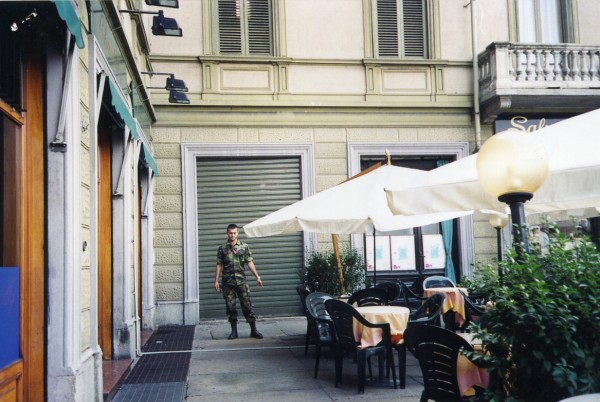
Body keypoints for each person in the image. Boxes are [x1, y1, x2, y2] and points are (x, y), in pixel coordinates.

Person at [214, 223, 264, 339]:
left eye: (234, 233)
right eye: (230, 233)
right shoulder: (222, 248)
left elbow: (249, 262)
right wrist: (216, 281)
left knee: (247, 306)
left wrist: (257, 277)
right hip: (228, 283)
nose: (232, 235)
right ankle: (234, 332)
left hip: (241, 281)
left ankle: (254, 330)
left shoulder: (244, 246)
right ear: (227, 233)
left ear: (238, 233)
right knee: (230, 307)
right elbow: (219, 264)